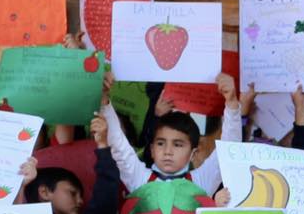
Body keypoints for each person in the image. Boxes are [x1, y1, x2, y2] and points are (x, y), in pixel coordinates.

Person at [100, 72, 240, 193]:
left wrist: (232, 103)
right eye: (161, 143)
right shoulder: (140, 179)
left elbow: (228, 152)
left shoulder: (201, 182)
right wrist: (104, 100)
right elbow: (118, 145)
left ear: (193, 154)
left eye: (178, 145)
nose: (168, 151)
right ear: (152, 150)